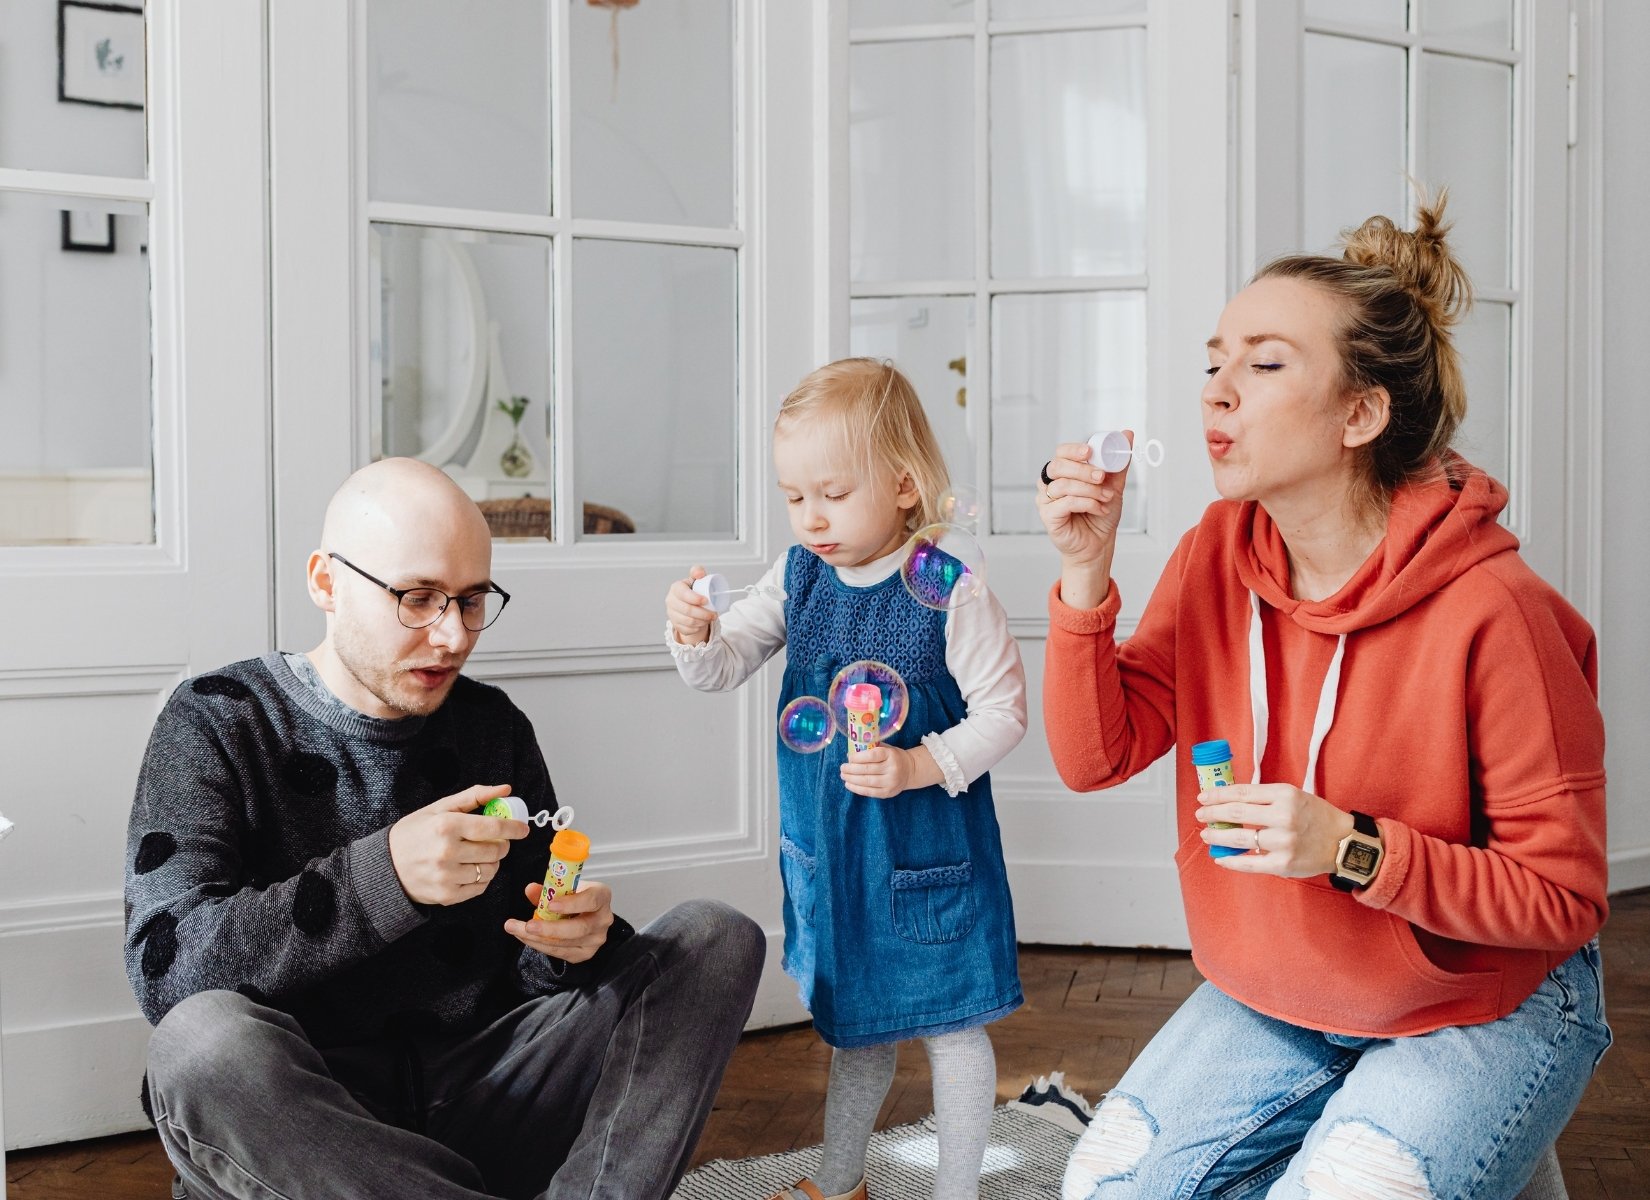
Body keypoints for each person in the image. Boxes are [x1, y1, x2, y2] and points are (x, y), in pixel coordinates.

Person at [1037, 196, 1610, 1200]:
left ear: (1361, 414)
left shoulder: (1495, 610)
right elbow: (1098, 755)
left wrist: (1352, 847)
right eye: (1214, 361)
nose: (1217, 390)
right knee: (1104, 1187)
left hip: (1488, 993)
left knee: (1351, 1185)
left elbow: (1561, 896)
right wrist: (1085, 578)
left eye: (1262, 364)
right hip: (1292, 986)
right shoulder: (1214, 556)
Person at [124, 457, 766, 1200]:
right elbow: (167, 972)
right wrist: (382, 880)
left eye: (470, 600)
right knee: (199, 1044)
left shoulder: (491, 727)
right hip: (309, 1137)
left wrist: (568, 945)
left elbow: (526, 980)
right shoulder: (217, 720)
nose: (453, 635)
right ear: (327, 582)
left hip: (487, 1091)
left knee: (717, 938)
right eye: (418, 598)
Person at [665, 359, 1028, 1200]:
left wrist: (916, 765)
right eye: (795, 497)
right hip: (833, 853)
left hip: (930, 854)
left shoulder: (943, 583)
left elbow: (1004, 711)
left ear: (904, 485)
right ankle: (840, 1181)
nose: (811, 517)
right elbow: (718, 671)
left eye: (832, 492)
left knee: (953, 1025)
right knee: (854, 1027)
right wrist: (691, 632)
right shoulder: (798, 578)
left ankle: (957, 1192)